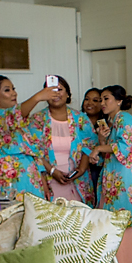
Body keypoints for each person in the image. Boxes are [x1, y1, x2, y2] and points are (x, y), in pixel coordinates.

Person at [90, 85, 132, 263]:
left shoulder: (124, 118)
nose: (102, 103)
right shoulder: (111, 121)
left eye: (106, 99)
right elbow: (113, 148)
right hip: (116, 174)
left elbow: (125, 147)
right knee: (116, 222)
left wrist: (99, 147)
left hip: (125, 178)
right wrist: (102, 139)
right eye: (101, 99)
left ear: (119, 101)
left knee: (123, 223)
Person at [0, 75, 58, 201]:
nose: (13, 93)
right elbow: (15, 115)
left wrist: (42, 181)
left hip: (29, 176)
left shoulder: (20, 123)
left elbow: (32, 151)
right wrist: (38, 97)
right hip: (8, 177)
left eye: (13, 89)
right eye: (7, 90)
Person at [29, 76, 97, 205]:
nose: (56, 93)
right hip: (49, 180)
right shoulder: (37, 120)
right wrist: (52, 171)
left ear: (67, 94)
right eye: (51, 90)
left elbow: (90, 145)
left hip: (77, 180)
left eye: (59, 89)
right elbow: (33, 151)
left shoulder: (80, 119)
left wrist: (81, 169)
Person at [81, 88, 104, 200]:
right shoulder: (76, 121)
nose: (90, 103)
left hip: (99, 169)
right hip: (80, 167)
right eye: (87, 99)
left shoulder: (106, 124)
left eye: (95, 100)